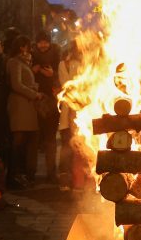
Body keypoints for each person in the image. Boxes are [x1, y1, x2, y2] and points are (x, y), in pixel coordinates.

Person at [6, 36, 43, 188]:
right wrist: (34, 93)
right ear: (21, 47)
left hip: (27, 108)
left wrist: (34, 86)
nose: (28, 50)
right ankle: (15, 175)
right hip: (20, 108)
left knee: (26, 143)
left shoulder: (23, 63)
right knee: (19, 143)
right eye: (26, 46)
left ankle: (25, 175)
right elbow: (16, 84)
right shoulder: (14, 62)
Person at [31, 32, 61, 183]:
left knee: (50, 139)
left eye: (45, 42)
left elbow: (62, 77)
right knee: (35, 139)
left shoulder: (57, 55)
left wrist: (52, 74)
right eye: (40, 42)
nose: (43, 45)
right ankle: (31, 173)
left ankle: (51, 173)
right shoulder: (31, 55)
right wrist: (33, 71)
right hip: (34, 101)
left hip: (52, 102)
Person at [57, 40, 83, 189]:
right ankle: (72, 181)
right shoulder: (75, 65)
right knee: (73, 146)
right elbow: (69, 85)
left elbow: (65, 84)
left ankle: (70, 181)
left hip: (71, 109)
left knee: (69, 147)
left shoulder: (63, 64)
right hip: (74, 109)